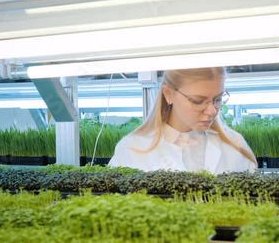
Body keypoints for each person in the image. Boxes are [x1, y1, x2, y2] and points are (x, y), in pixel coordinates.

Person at [108, 67, 258, 174]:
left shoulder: (235, 145)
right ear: (168, 94)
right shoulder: (132, 149)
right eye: (198, 101)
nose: (212, 111)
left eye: (218, 99)